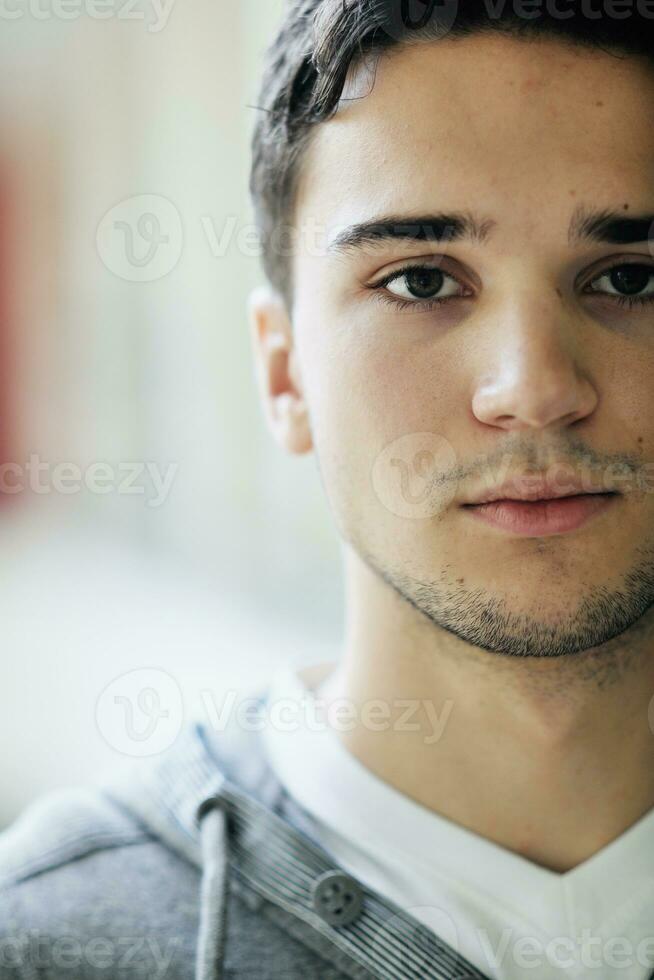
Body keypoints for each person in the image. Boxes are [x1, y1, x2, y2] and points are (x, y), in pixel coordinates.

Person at [2, 2, 654, 977]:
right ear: (283, 374)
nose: (534, 389)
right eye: (422, 281)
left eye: (633, 280)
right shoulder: (49, 941)